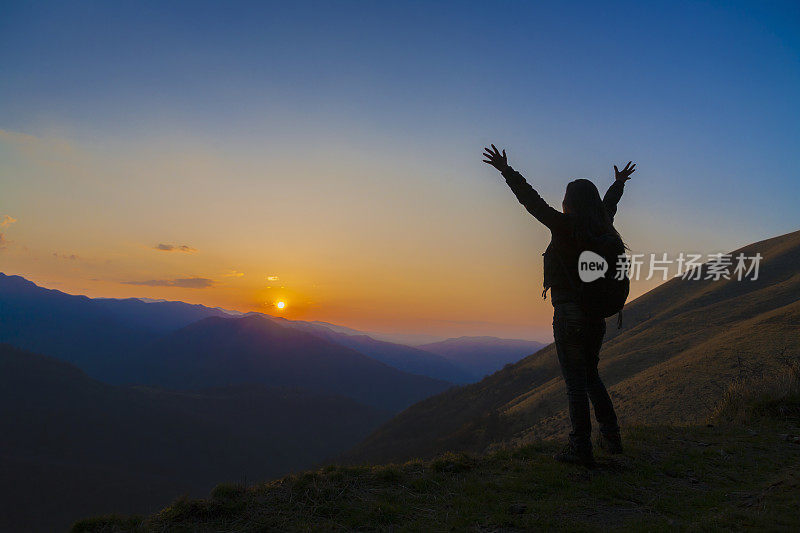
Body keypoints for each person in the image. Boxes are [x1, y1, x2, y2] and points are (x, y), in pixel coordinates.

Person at [482, 145, 636, 467]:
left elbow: (532, 201)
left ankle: (580, 448)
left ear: (570, 203)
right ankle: (611, 437)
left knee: (575, 385)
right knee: (591, 375)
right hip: (597, 317)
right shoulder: (603, 225)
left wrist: (506, 171)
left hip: (569, 316)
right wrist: (619, 183)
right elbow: (609, 204)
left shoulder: (565, 227)